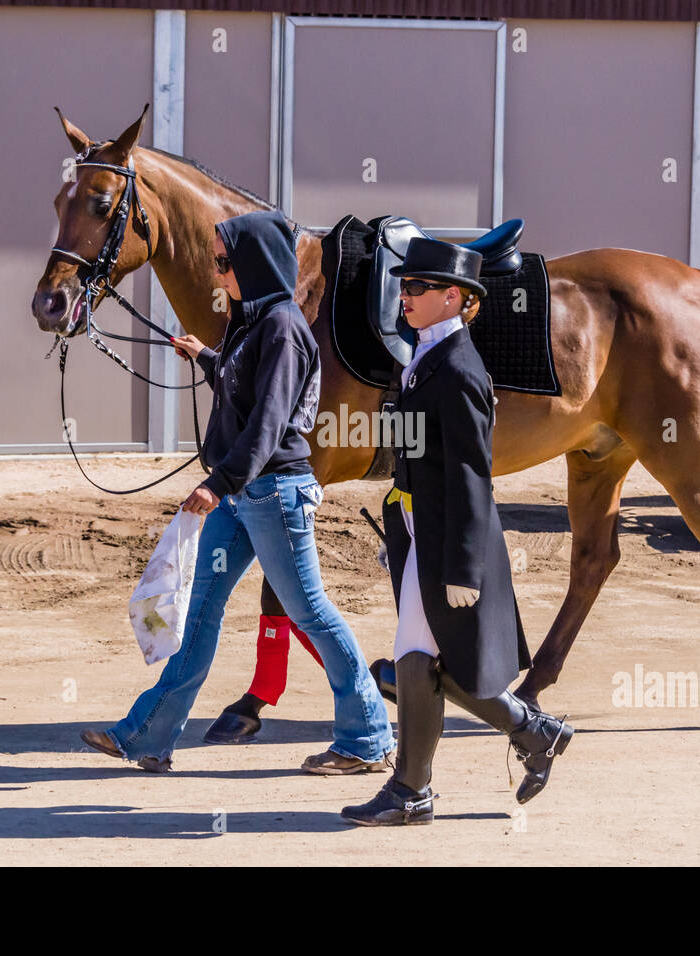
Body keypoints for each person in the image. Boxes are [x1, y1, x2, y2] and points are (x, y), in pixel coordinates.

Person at [80, 209, 395, 774]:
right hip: (244, 495)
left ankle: (369, 738)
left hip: (273, 493)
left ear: (255, 264)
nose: (217, 271)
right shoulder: (253, 322)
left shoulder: (281, 326)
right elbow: (242, 384)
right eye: (217, 262)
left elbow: (269, 421)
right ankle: (148, 736)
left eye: (225, 262)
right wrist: (205, 357)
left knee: (313, 613)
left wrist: (216, 484)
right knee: (201, 610)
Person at [341, 237, 573, 826]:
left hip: (450, 538)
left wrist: (464, 566)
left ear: (455, 297)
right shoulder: (425, 356)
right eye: (404, 286)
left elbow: (474, 474)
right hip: (423, 526)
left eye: (418, 288)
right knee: (419, 662)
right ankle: (530, 731)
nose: (406, 296)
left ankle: (413, 792)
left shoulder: (461, 368)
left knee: (417, 660)